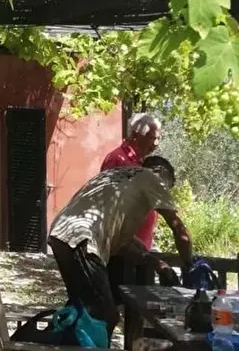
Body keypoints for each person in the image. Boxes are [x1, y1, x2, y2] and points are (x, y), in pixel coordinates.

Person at [48, 156, 192, 337]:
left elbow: (121, 244)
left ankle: (48, 342)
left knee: (80, 310)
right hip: (82, 239)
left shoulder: (115, 176)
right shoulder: (154, 178)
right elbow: (179, 230)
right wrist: (190, 265)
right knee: (105, 316)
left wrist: (155, 263)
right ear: (163, 174)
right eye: (168, 186)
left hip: (61, 233)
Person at [101, 113, 162, 249]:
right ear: (135, 135)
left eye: (159, 138)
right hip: (123, 247)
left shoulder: (143, 162)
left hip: (142, 245)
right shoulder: (117, 159)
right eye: (152, 138)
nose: (156, 144)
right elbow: (107, 202)